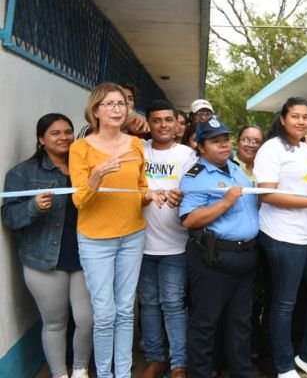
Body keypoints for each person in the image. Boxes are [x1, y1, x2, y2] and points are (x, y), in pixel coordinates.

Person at [69, 82, 163, 378]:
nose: (116, 109)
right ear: (95, 110)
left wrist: (150, 196)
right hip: (95, 239)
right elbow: (79, 199)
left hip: (132, 234)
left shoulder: (135, 144)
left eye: (121, 104)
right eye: (109, 104)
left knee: (125, 311)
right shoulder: (80, 147)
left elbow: (140, 188)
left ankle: (122, 374)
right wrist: (96, 176)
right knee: (105, 313)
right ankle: (105, 374)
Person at [2, 114, 92, 378]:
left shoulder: (84, 168)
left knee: (87, 320)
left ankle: (80, 369)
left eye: (68, 132)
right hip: (43, 259)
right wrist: (33, 207)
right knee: (55, 323)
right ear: (41, 139)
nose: (64, 137)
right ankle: (59, 374)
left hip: (85, 255)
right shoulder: (22, 173)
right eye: (55, 133)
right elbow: (10, 217)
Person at [254, 97, 307, 378]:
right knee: (284, 303)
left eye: (305, 117)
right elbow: (267, 194)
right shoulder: (271, 149)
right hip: (282, 234)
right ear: (283, 119)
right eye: (295, 116)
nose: (301, 121)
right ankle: (284, 366)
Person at [179, 117, 260, 377]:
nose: (224, 145)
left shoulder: (235, 169)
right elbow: (189, 220)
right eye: (216, 142)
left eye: (226, 140)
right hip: (214, 258)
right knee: (205, 323)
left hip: (245, 256)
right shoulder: (196, 176)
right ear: (201, 148)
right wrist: (225, 202)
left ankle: (241, 372)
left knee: (240, 322)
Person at [138, 100, 196, 378]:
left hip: (176, 244)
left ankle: (179, 364)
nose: (162, 125)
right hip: (140, 243)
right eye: (156, 120)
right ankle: (155, 358)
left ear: (177, 124)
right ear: (148, 124)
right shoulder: (137, 149)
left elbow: (197, 191)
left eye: (168, 120)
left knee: (173, 303)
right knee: (148, 303)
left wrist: (183, 195)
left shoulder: (188, 155)